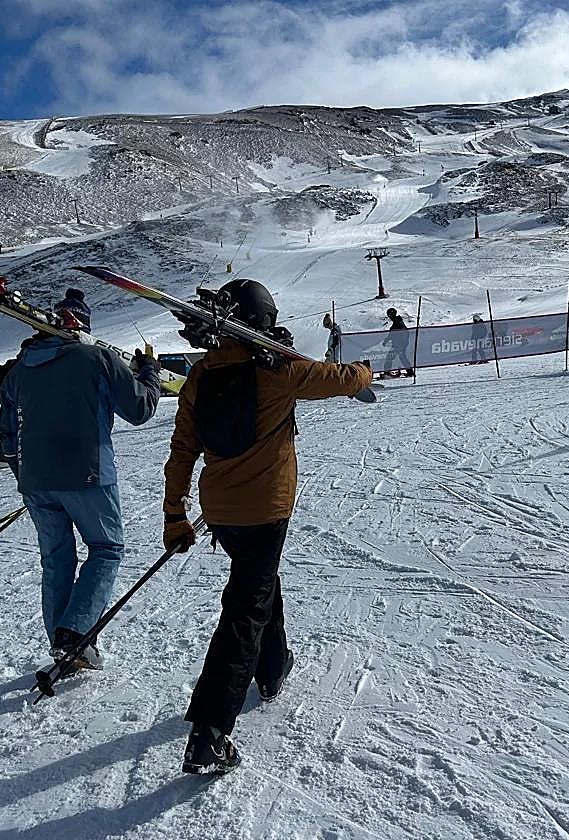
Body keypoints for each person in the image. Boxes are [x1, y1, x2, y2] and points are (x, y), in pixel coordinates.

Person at [163, 278, 372, 775]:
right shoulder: (279, 371)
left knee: (258, 582)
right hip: (265, 511)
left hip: (220, 513)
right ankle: (210, 732)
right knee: (245, 609)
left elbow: (181, 452)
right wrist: (365, 371)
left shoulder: (199, 376)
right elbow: (340, 378)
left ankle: (273, 669)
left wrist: (174, 513)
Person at [0, 287, 161, 670]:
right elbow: (139, 409)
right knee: (105, 549)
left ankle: (62, 639)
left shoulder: (19, 369)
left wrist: (25, 475)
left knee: (56, 559)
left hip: (36, 481)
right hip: (88, 473)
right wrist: (149, 373)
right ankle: (75, 633)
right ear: (84, 327)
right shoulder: (97, 357)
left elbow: (8, 437)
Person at [382, 307, 414, 378]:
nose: (389, 317)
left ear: (392, 315)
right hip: (399, 344)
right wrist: (387, 340)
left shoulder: (398, 322)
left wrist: (400, 344)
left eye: (389, 315)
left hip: (399, 344)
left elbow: (401, 333)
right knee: (402, 357)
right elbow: (393, 334)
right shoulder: (397, 321)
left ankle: (386, 373)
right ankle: (410, 372)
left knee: (390, 357)